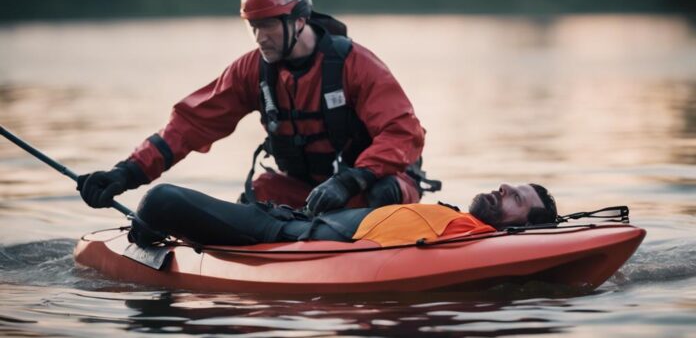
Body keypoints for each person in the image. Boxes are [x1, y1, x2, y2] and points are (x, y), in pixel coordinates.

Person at [77, 0, 439, 217]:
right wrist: (124, 174)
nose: (260, 37)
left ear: (299, 20)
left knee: (382, 192)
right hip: (312, 192)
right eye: (254, 27)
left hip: (373, 186)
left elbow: (403, 132)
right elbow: (188, 126)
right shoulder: (251, 70)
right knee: (261, 191)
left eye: (268, 26)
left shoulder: (356, 64)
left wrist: (351, 180)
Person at [128, 182, 557, 247]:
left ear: (520, 227)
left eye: (516, 197)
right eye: (509, 185)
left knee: (162, 199)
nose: (502, 188)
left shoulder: (472, 240)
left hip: (295, 235)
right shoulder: (458, 222)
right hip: (286, 225)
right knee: (158, 200)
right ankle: (147, 236)